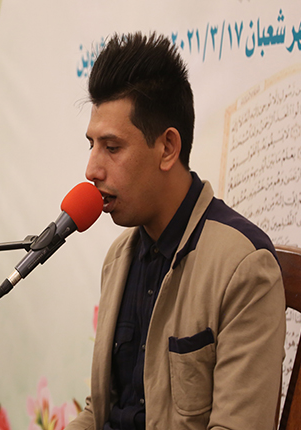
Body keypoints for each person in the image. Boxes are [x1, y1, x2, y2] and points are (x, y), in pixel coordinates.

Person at [66, 32, 286, 430]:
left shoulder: (244, 267)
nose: (92, 169)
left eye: (112, 148)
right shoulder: (119, 257)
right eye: (91, 145)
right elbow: (100, 412)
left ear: (168, 148)